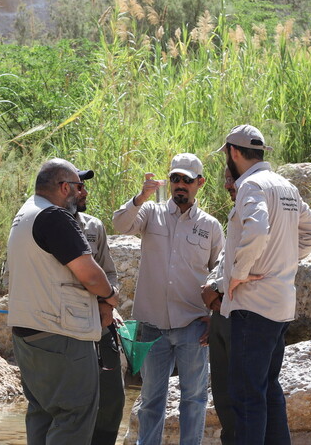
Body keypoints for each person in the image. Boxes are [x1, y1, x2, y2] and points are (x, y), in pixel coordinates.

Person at [217, 125, 311, 445]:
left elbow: (257, 229)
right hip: (280, 304)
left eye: (226, 155)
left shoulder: (251, 184)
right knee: (268, 390)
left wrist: (239, 272)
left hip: (253, 304)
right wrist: (283, 260)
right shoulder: (286, 186)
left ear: (233, 152)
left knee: (246, 395)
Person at [113, 153, 224, 445]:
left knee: (194, 399)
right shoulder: (150, 212)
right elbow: (120, 225)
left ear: (200, 183)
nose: (180, 184)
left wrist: (214, 317)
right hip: (152, 327)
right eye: (175, 178)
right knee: (151, 399)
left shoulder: (211, 226)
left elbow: (220, 274)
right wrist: (141, 197)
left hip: (193, 326)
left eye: (187, 179)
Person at [7, 158, 120, 445]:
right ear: (64, 187)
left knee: (42, 413)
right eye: (79, 186)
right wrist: (110, 297)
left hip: (28, 334)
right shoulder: (54, 217)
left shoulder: (26, 213)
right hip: (61, 334)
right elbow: (90, 274)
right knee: (75, 415)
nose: (83, 192)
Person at [74, 168, 126, 445]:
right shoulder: (43, 225)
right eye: (79, 186)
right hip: (67, 329)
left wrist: (108, 306)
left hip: (102, 323)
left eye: (84, 186)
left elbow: (110, 273)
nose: (85, 192)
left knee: (113, 399)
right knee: (73, 401)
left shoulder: (94, 226)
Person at [200, 166, 240, 445]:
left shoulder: (259, 209)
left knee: (241, 397)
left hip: (244, 314)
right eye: (226, 180)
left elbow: (251, 260)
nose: (228, 186)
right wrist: (213, 291)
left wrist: (215, 288)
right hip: (220, 313)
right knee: (222, 396)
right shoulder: (236, 213)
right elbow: (223, 261)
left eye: (232, 179)